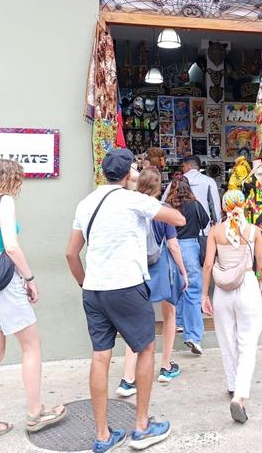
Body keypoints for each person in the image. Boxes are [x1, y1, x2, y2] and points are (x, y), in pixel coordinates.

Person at [65, 149, 185, 452]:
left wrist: (84, 283)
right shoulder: (134, 200)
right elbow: (178, 218)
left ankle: (103, 436)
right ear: (129, 173)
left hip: (94, 290)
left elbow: (71, 254)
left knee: (100, 356)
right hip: (127, 286)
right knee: (145, 349)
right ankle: (142, 428)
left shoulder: (85, 202)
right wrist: (145, 195)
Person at [0, 159, 66, 445]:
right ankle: (36, 412)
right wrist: (30, 278)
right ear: (12, 179)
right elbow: (10, 245)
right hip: (3, 279)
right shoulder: (5, 201)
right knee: (31, 346)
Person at [117, 168, 190, 398]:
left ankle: (128, 378)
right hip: (162, 269)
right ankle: (166, 367)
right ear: (158, 186)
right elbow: (174, 245)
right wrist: (183, 272)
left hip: (136, 270)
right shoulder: (163, 210)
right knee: (169, 315)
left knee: (135, 322)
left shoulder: (130, 208)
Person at [201, 190, 262, 424]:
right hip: (248, 285)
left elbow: (208, 265)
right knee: (247, 343)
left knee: (227, 340)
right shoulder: (253, 231)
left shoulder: (215, 231)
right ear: (243, 205)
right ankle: (239, 396)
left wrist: (204, 296)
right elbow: (261, 263)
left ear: (223, 206)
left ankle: (233, 387)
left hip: (222, 290)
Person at [165, 173, 210, 355]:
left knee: (178, 288)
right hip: (191, 247)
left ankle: (180, 322)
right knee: (193, 290)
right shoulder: (194, 204)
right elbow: (206, 222)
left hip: (172, 247)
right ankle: (193, 336)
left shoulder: (168, 206)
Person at [162, 155, 220, 228]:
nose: (182, 169)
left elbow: (164, 203)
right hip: (204, 228)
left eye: (183, 166)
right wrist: (217, 224)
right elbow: (215, 206)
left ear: (188, 166)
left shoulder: (177, 181)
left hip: (180, 228)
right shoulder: (209, 182)